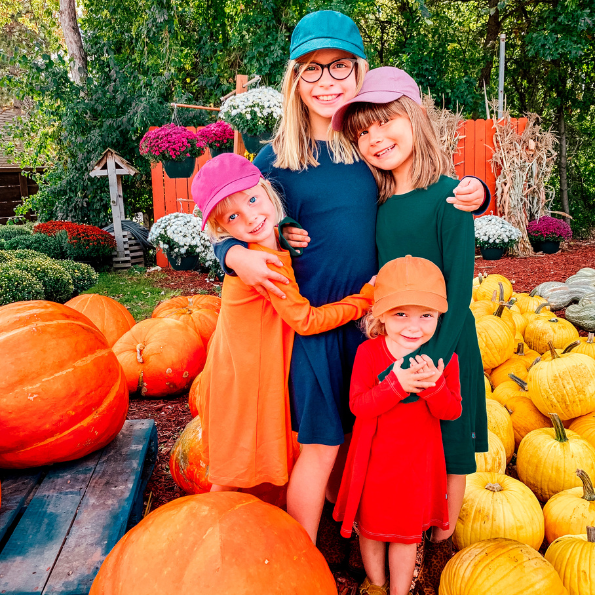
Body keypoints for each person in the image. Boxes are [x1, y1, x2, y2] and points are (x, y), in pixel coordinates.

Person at [213, 10, 488, 543]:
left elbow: (426, 186)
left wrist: (476, 189)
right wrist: (232, 254)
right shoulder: (274, 160)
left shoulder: (368, 151)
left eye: (339, 67)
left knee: (375, 431)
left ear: (359, 72)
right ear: (295, 80)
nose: (326, 81)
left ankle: (368, 530)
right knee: (322, 443)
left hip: (374, 326)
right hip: (315, 326)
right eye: (311, 70)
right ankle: (301, 552)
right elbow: (229, 215)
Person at [331, 67, 487, 594]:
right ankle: (387, 528)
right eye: (362, 133)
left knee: (450, 440)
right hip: (390, 343)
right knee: (390, 443)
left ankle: (438, 538)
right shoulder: (375, 205)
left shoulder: (451, 200)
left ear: (415, 119)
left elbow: (460, 295)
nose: (375, 139)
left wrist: (430, 362)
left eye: (385, 123)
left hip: (444, 344)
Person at [191, 153, 374, 492]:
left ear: (266, 189)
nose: (250, 217)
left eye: (252, 199)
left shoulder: (269, 243)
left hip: (241, 363)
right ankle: (214, 529)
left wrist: (282, 232)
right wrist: (363, 300)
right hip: (245, 376)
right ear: (222, 229)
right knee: (233, 469)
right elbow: (305, 320)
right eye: (233, 216)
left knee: (240, 458)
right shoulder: (262, 264)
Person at [333, 256, 462, 595]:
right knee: (372, 532)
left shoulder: (444, 358)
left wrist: (435, 387)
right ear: (380, 315)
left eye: (426, 315)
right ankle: (375, 585)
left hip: (416, 468)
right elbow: (358, 405)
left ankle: (398, 592)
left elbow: (451, 412)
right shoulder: (369, 354)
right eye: (400, 313)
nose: (413, 326)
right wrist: (397, 384)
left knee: (405, 537)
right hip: (374, 463)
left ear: (439, 317)